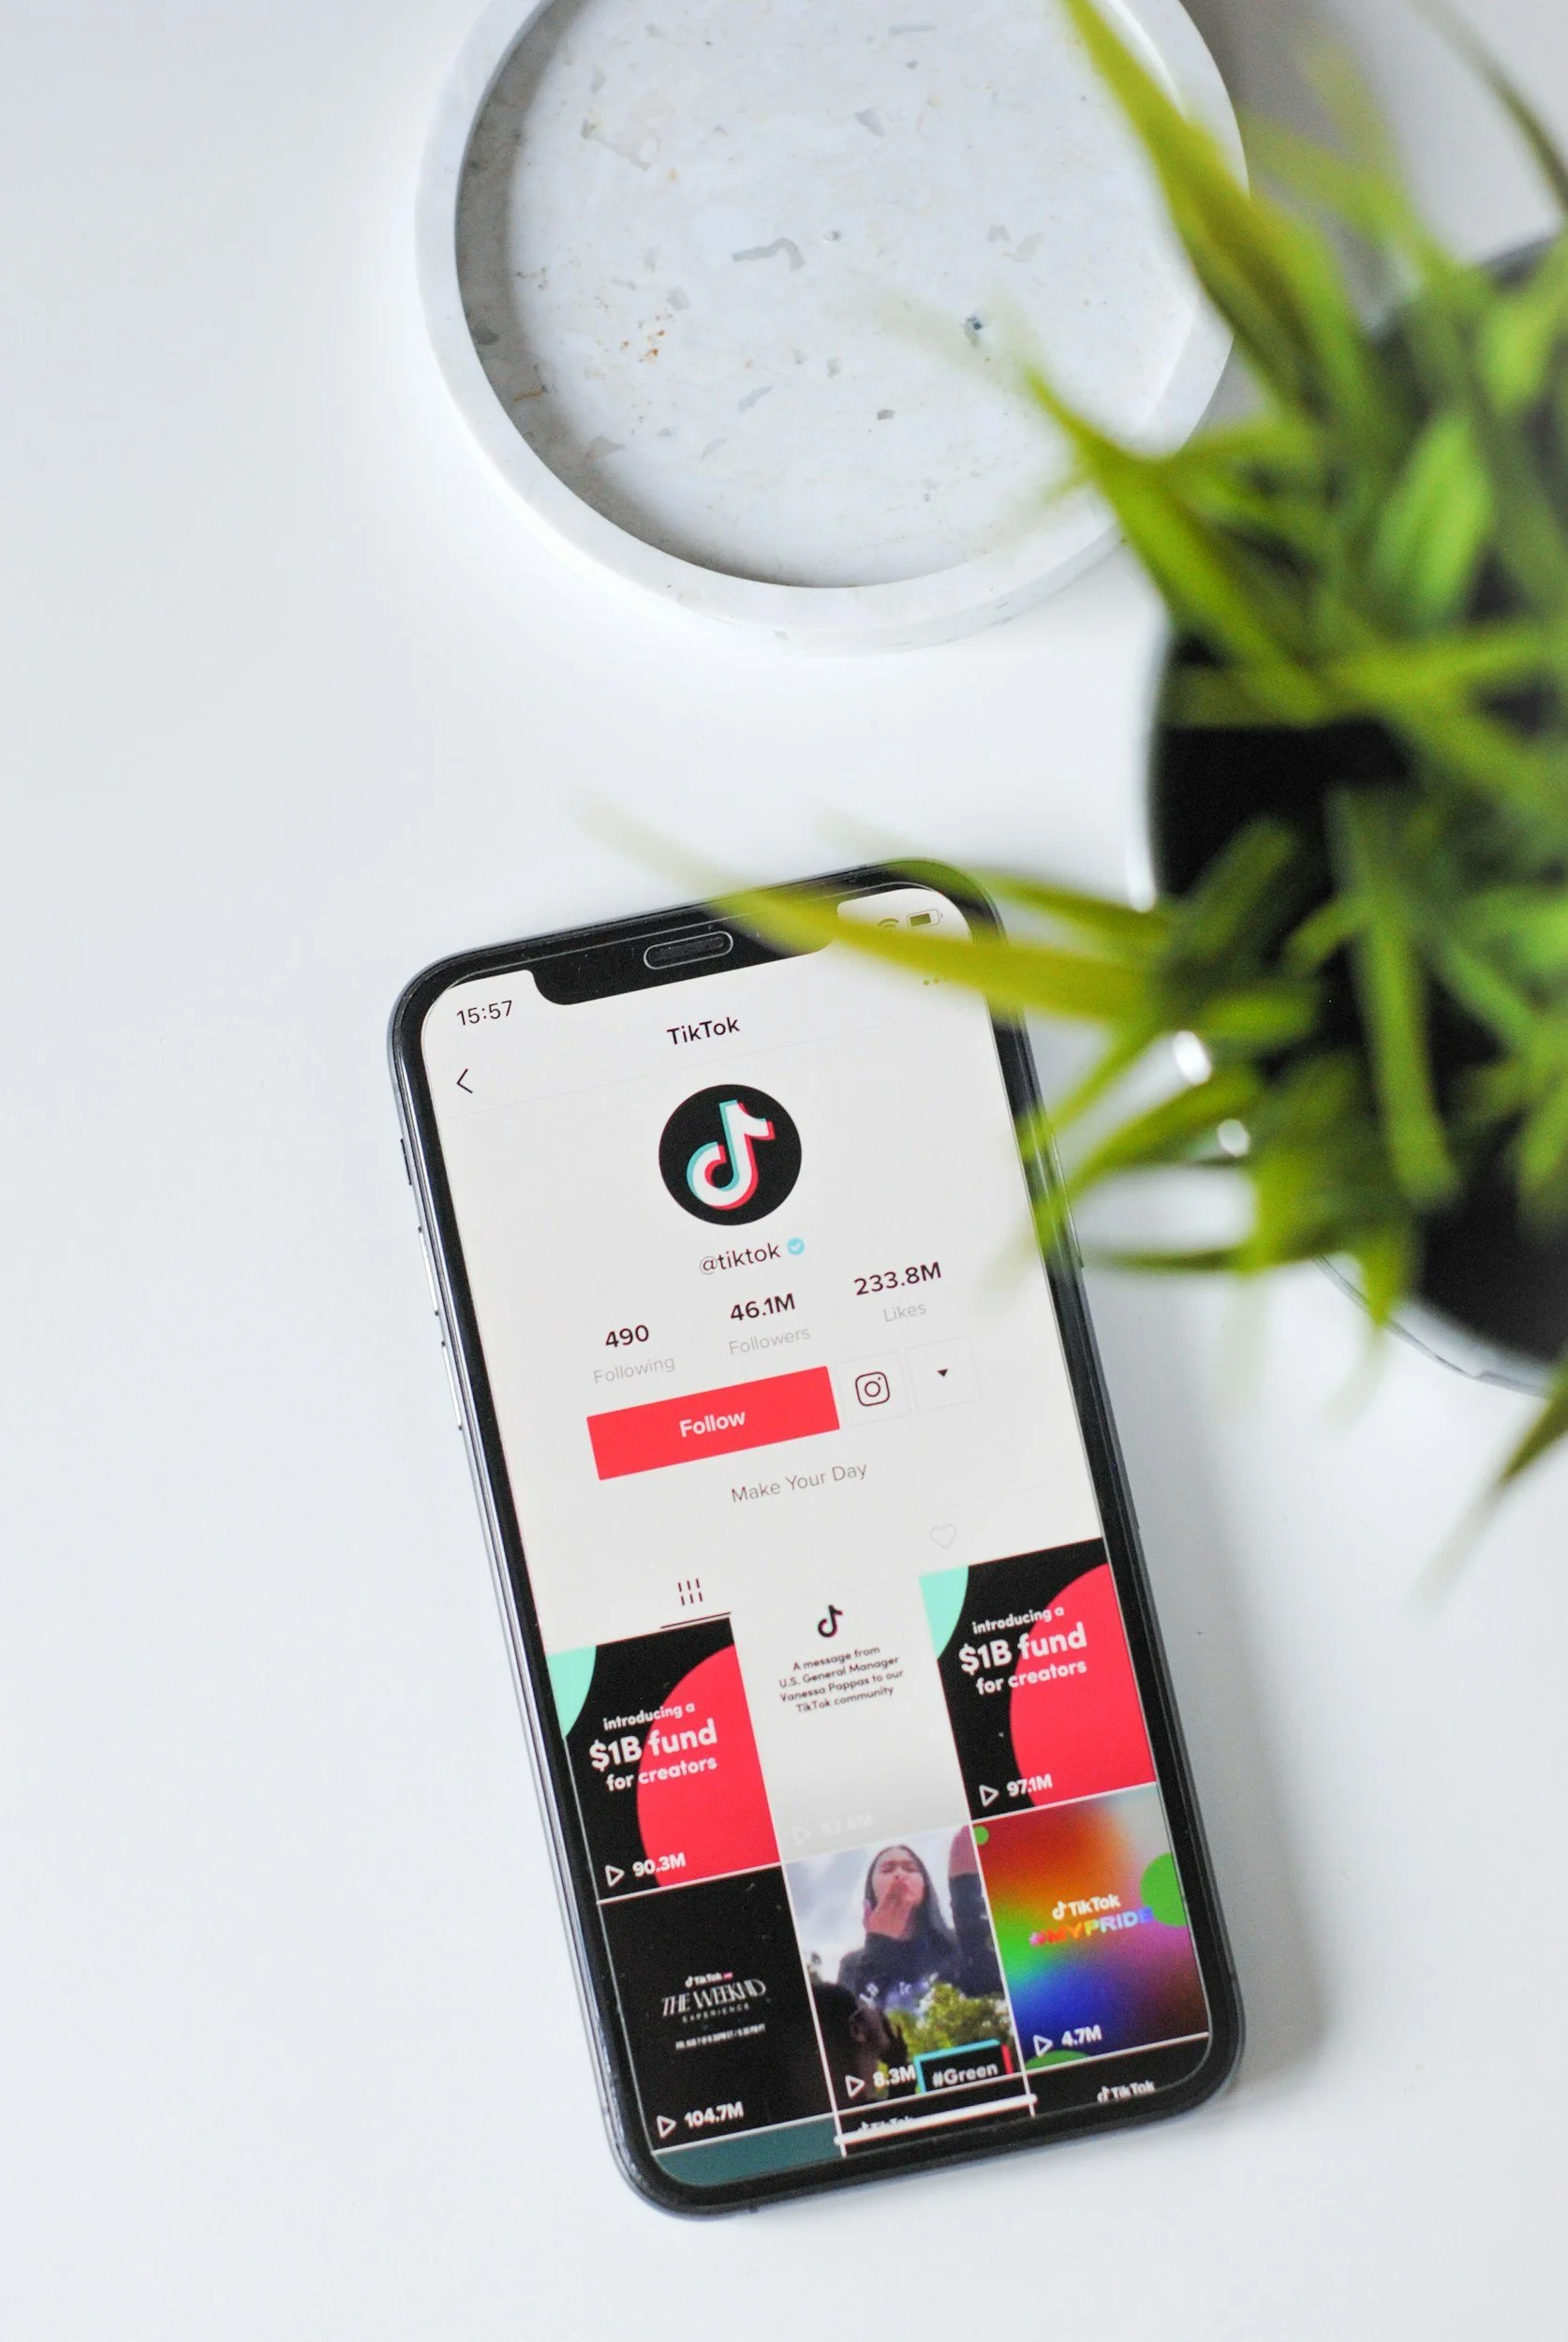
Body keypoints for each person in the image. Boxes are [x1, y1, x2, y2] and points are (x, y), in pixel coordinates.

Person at [835, 1832, 1002, 2012]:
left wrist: (966, 1896)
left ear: (925, 1885)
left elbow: (994, 1990)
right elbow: (853, 2021)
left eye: (910, 1869)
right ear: (871, 1890)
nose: (899, 1875)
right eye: (888, 1869)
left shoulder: (955, 1946)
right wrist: (879, 1947)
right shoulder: (854, 1965)